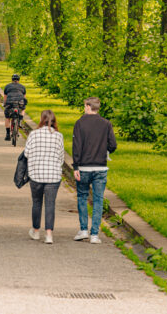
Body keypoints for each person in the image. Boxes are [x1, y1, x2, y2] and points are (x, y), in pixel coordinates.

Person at [72, 96, 117, 243]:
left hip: (84, 167)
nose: (84, 108)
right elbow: (113, 145)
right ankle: (95, 234)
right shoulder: (106, 124)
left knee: (82, 197)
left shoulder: (80, 123)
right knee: (98, 200)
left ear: (88, 107)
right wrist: (104, 150)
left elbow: (77, 146)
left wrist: (76, 166)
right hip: (100, 167)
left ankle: (83, 229)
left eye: (85, 106)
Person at [24, 110, 64, 244]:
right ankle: (49, 234)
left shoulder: (34, 134)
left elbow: (27, 153)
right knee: (50, 204)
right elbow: (61, 157)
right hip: (53, 175)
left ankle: (36, 231)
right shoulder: (58, 136)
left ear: (42, 119)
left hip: (36, 174)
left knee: (36, 202)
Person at [2, 74, 27, 141]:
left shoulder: (7, 86)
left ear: (12, 80)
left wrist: (4, 104)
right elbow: (24, 98)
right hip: (19, 103)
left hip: (10, 103)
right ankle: (20, 120)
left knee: (7, 117)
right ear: (19, 80)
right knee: (23, 109)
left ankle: (7, 134)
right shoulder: (22, 87)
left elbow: (5, 97)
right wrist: (24, 104)